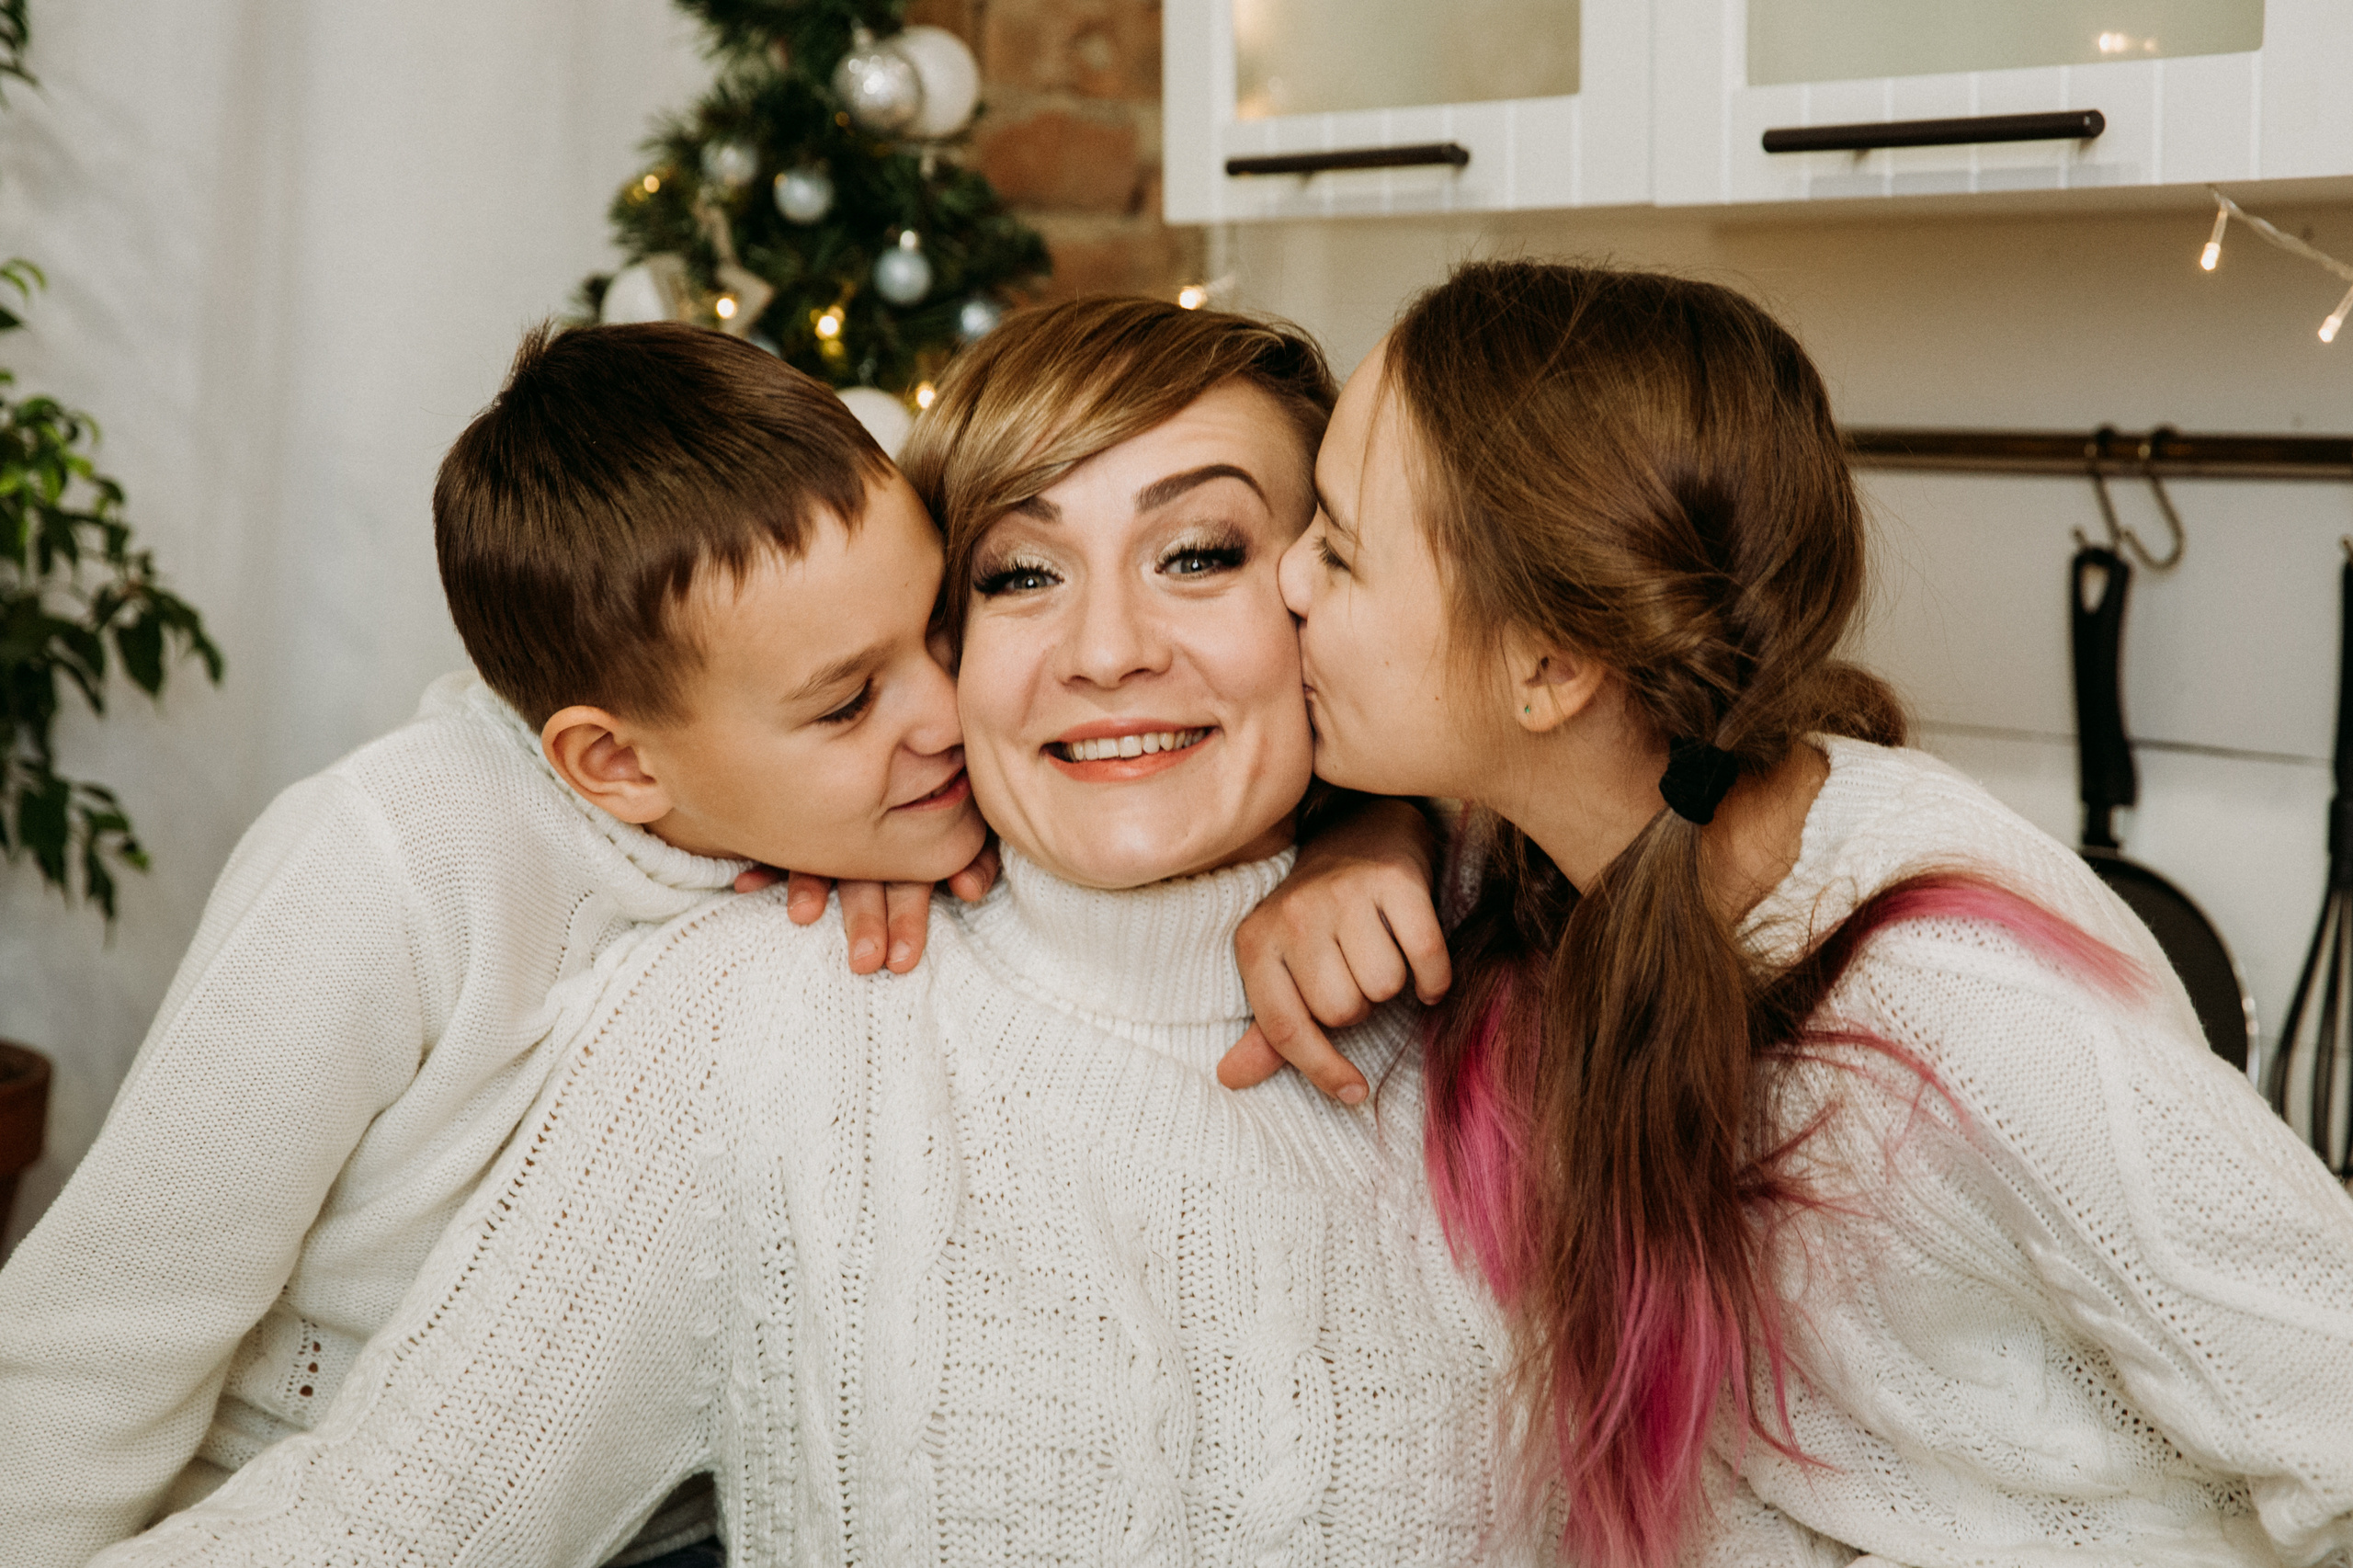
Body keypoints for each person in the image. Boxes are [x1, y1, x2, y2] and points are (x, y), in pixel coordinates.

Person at [90, 296, 1532, 1568]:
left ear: (1326, 595)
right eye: (1020, 574)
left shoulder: (1533, 964)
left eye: (1201, 552)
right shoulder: (749, 998)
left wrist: (1385, 823)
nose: (1106, 650)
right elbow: (370, 1518)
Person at [1274, 259, 2353, 1567]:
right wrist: (1355, 836)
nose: (1284, 580)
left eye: (1335, 550)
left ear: (1550, 666)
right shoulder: (1548, 863)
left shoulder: (1957, 1004)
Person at [0, 323, 1001, 1568]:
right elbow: (109, 1320)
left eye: (945, 631)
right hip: (307, 1497)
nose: (951, 711)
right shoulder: (396, 858)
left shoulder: (875, 815)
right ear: (619, 763)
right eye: (851, 701)